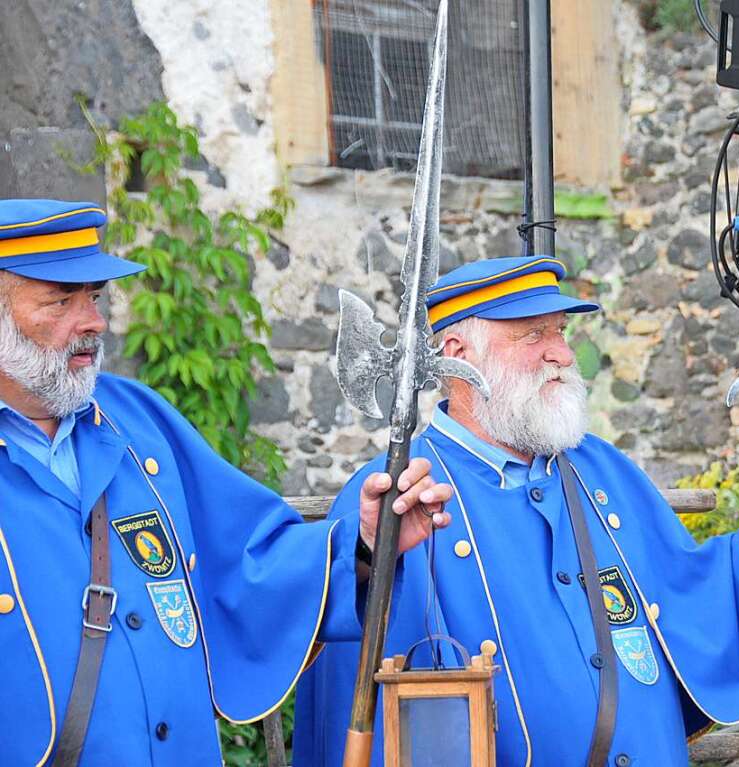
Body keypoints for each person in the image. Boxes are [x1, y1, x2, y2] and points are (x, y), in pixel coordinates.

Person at [293, 255, 739, 767]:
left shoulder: (601, 468)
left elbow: (687, 589)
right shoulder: (401, 491)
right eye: (533, 335)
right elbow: (350, 678)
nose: (561, 353)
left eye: (560, 332)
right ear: (458, 355)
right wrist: (368, 551)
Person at [0, 199, 451, 766]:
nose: (92, 322)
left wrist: (362, 542)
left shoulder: (138, 418)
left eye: (92, 296)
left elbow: (246, 556)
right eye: (60, 300)